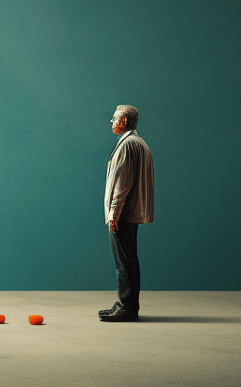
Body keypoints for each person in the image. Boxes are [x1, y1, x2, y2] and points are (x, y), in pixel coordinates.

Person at [99, 104, 154, 322]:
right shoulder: (136, 142)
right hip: (129, 213)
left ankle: (127, 307)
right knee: (128, 259)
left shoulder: (128, 145)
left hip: (123, 214)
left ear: (124, 121)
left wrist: (113, 213)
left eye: (114, 119)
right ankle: (126, 303)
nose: (112, 122)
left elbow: (122, 183)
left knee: (124, 261)